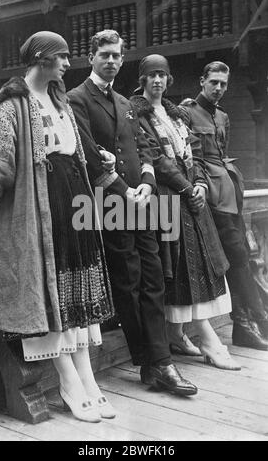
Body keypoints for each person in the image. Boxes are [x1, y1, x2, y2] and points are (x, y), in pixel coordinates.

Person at [0, 31, 117, 423]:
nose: (66, 64)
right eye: (62, 58)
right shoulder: (10, 105)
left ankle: (88, 379)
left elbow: (77, 151)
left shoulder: (60, 101)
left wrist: (102, 165)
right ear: (42, 58)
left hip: (73, 199)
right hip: (40, 205)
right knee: (53, 292)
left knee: (77, 292)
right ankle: (68, 381)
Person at [68, 29, 198, 396]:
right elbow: (88, 155)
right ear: (91, 57)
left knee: (154, 277)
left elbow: (143, 146)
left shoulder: (126, 102)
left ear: (123, 60)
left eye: (116, 56)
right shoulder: (79, 99)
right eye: (104, 54)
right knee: (129, 280)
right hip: (109, 203)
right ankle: (155, 362)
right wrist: (125, 191)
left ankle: (158, 362)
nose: (111, 61)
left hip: (142, 201)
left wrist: (146, 181)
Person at [130, 54, 240, 370]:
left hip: (192, 193)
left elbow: (196, 152)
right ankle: (208, 339)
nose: (157, 81)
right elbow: (154, 157)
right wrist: (185, 188)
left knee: (200, 264)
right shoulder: (137, 114)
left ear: (169, 80)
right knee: (178, 266)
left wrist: (201, 185)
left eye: (162, 75)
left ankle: (177, 334)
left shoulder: (178, 114)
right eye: (151, 75)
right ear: (143, 80)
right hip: (167, 195)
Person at [180, 61, 268, 350]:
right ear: (202, 80)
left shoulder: (223, 116)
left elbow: (222, 154)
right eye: (214, 82)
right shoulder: (187, 112)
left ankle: (246, 324)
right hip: (208, 195)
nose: (218, 88)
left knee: (241, 254)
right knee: (237, 255)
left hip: (230, 194)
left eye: (223, 84)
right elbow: (193, 158)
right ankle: (254, 319)